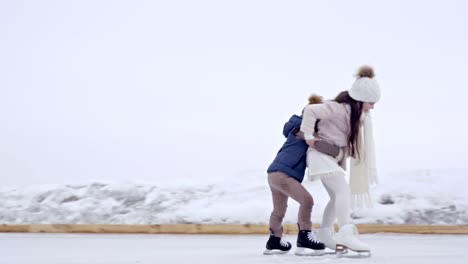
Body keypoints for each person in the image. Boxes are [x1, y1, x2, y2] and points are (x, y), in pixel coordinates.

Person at [300, 65, 380, 255]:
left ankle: (324, 234)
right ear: (360, 99)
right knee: (344, 191)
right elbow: (311, 111)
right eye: (371, 102)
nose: (373, 107)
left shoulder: (354, 115)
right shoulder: (337, 109)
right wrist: (309, 136)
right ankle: (345, 231)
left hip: (328, 158)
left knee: (337, 196)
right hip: (320, 156)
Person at [264, 95, 340, 256]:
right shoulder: (303, 130)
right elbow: (317, 143)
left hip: (274, 174)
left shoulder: (296, 129)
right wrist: (337, 151)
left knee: (279, 210)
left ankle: (275, 240)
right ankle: (305, 235)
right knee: (307, 201)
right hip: (284, 174)